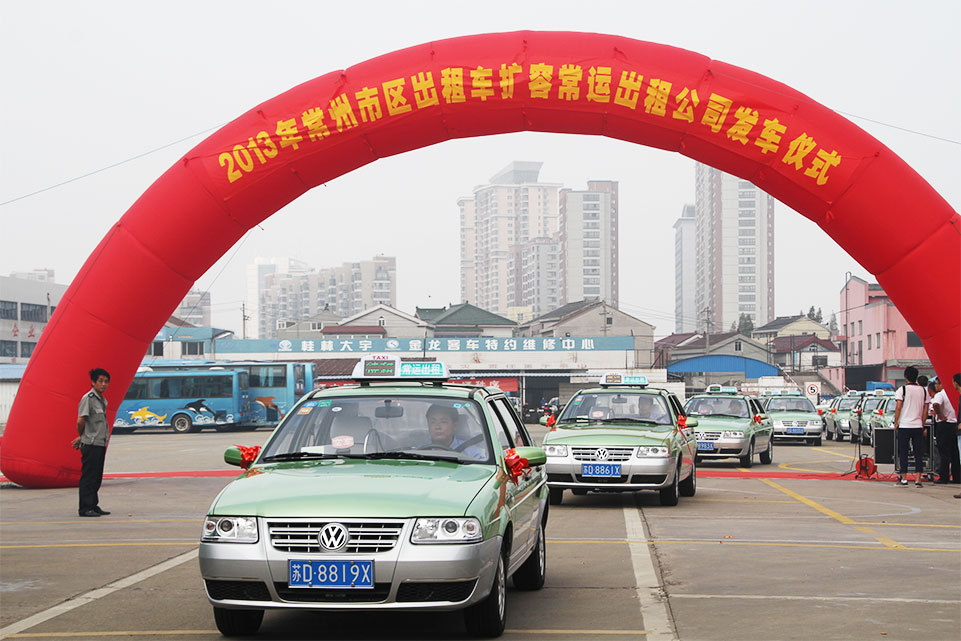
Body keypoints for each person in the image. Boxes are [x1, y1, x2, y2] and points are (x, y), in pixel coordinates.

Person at [72, 368, 111, 517]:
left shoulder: (101, 400)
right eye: (100, 381)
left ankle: (93, 505)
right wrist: (82, 436)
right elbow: (80, 420)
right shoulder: (88, 398)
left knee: (96, 477)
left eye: (106, 381)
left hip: (100, 443)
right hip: (91, 444)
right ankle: (85, 508)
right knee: (88, 477)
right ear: (93, 382)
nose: (103, 384)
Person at [893, 365, 928, 487]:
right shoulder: (923, 391)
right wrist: (922, 422)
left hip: (904, 425)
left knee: (903, 452)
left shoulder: (902, 390)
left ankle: (904, 478)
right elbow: (926, 408)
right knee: (918, 452)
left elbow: (898, 407)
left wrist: (896, 422)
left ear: (905, 377)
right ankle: (918, 478)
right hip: (918, 425)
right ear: (916, 377)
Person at [929, 377, 959, 485]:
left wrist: (940, 415)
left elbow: (936, 404)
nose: (936, 386)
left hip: (944, 425)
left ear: (941, 384)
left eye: (937, 383)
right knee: (954, 452)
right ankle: (957, 476)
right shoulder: (952, 394)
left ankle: (944, 476)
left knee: (944, 452)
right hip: (954, 424)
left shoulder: (940, 394)